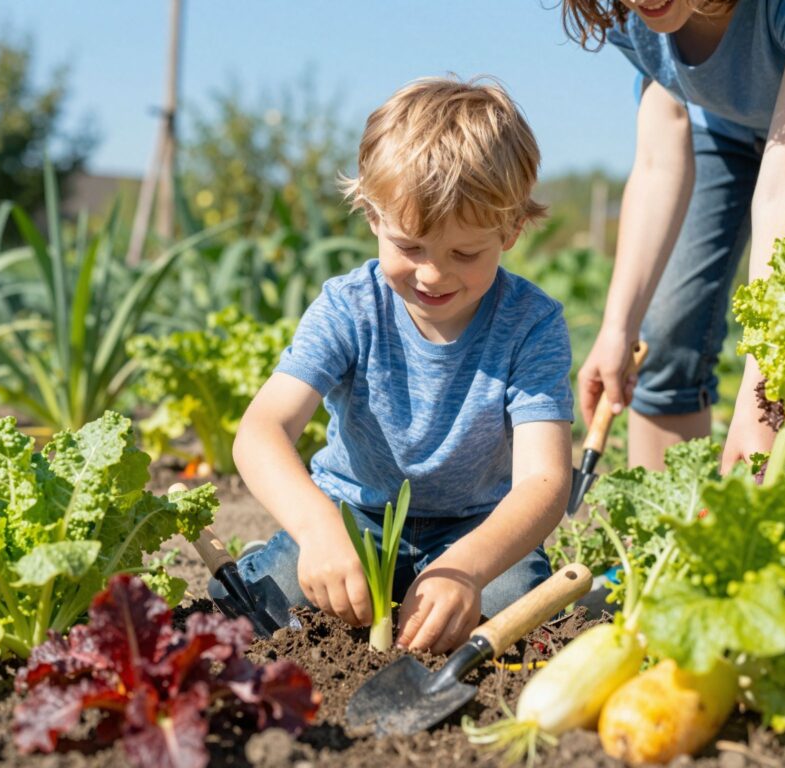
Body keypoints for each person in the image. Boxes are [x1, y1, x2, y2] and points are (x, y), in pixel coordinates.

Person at [209, 77, 574, 654]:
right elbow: (261, 431)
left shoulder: (531, 323)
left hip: (474, 528)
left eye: (465, 253)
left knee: (515, 609)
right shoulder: (350, 307)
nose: (433, 275)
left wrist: (468, 568)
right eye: (411, 247)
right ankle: (284, 558)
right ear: (373, 216)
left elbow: (545, 481)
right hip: (352, 518)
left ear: (510, 230)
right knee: (262, 605)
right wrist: (317, 530)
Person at [563, 0, 785, 519]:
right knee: (666, 331)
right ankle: (669, 548)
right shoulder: (634, 11)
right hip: (718, 125)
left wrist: (761, 392)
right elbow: (659, 163)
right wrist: (618, 328)